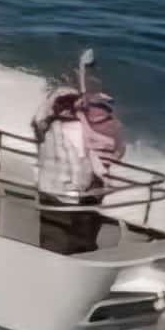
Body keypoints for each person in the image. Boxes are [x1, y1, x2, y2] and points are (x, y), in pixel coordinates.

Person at [32, 89, 105, 253]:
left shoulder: (46, 128)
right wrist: (85, 186)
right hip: (68, 194)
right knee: (63, 239)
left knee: (49, 236)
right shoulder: (77, 130)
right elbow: (80, 167)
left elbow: (38, 118)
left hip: (47, 190)